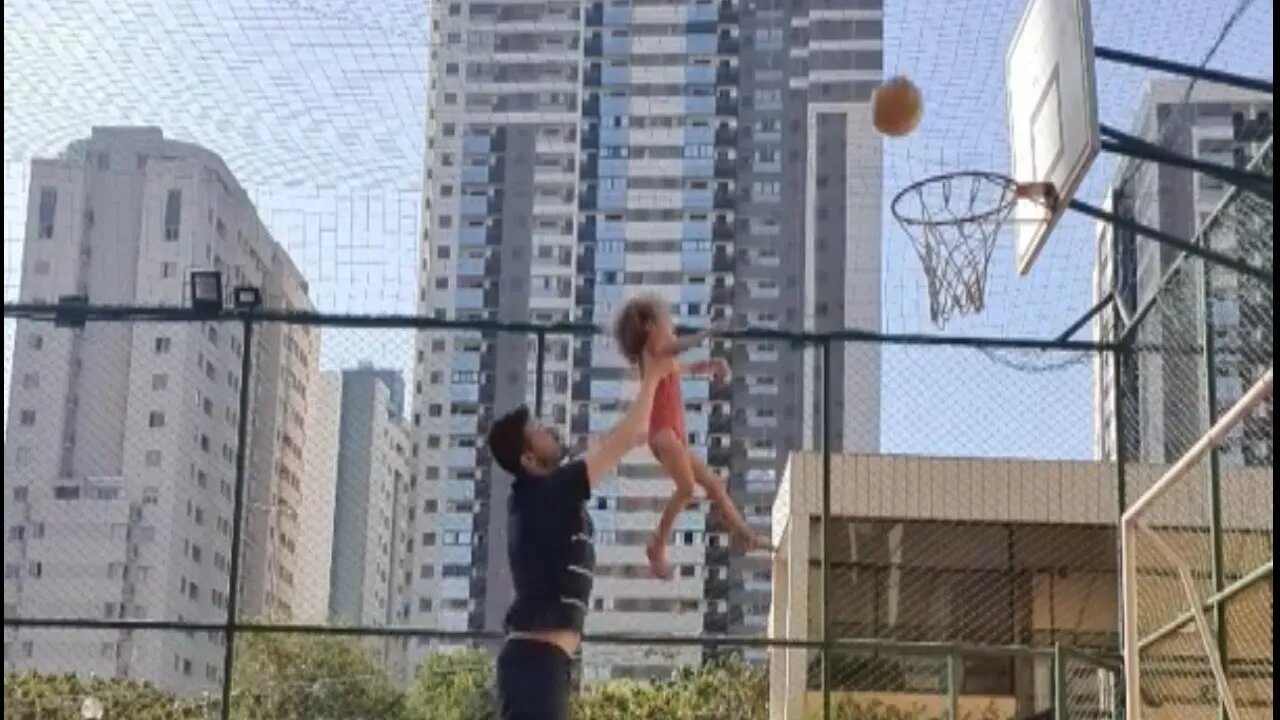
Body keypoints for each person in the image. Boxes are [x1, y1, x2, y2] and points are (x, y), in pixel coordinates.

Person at [487, 343, 676, 720]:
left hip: (546, 663)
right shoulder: (543, 493)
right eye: (538, 430)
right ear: (528, 459)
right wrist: (652, 377)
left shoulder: (546, 494)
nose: (549, 430)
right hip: (534, 665)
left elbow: (622, 439)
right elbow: (618, 441)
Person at [613, 296, 771, 579]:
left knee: (713, 485)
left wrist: (709, 366)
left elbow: (680, 368)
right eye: (666, 321)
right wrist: (710, 332)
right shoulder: (653, 351)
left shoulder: (661, 357)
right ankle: (657, 544)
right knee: (686, 489)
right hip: (664, 434)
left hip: (674, 434)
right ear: (651, 327)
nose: (671, 325)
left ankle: (745, 534)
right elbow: (678, 346)